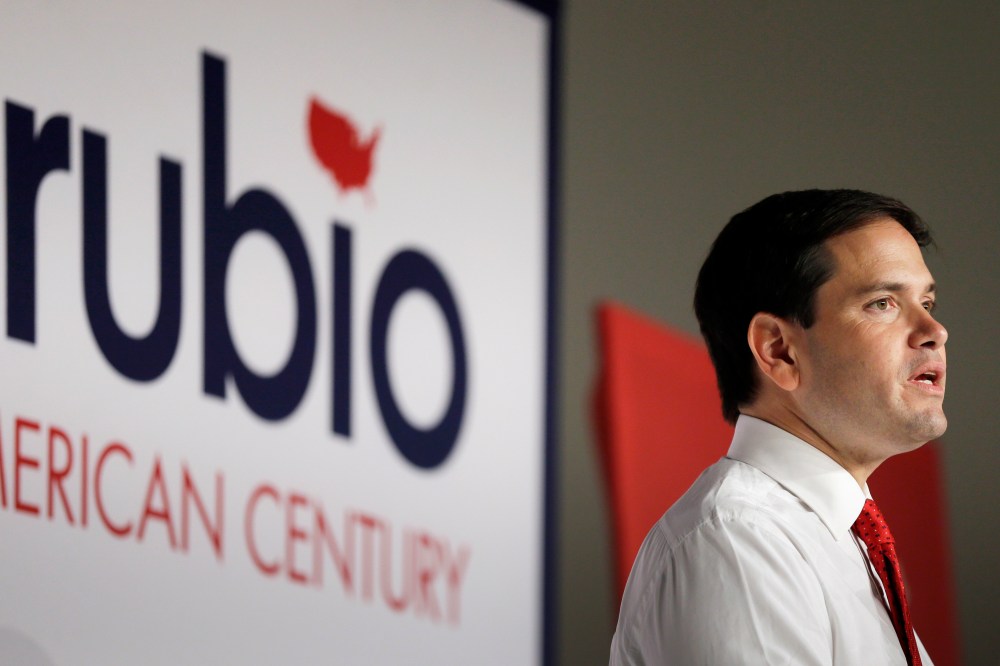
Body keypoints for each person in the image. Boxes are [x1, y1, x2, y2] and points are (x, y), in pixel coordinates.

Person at [609, 189, 946, 665]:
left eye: (928, 301)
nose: (934, 329)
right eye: (883, 303)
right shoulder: (738, 542)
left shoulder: (835, 540)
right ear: (778, 350)